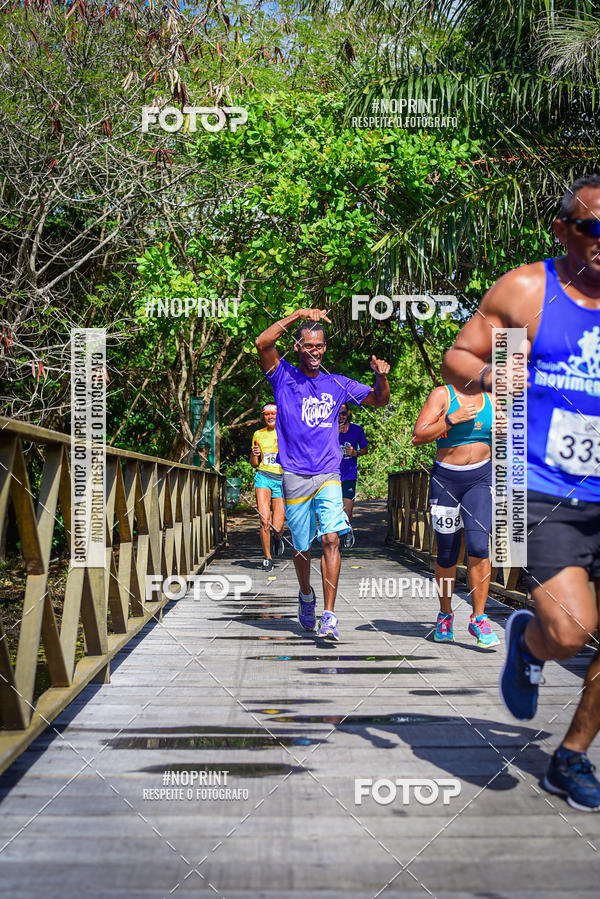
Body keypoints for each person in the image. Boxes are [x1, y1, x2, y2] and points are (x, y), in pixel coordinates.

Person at [441, 174, 600, 811]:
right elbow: (457, 357)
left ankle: (570, 756)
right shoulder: (528, 289)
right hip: (545, 489)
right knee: (570, 631)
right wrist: (488, 371)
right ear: (564, 231)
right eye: (593, 228)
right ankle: (533, 641)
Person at [255, 308, 390, 641]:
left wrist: (381, 376)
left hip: (329, 472)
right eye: (309, 346)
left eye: (320, 346)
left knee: (331, 538)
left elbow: (378, 399)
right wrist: (298, 314)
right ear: (298, 347)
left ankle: (329, 615)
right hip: (294, 475)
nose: (316, 352)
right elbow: (262, 342)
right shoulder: (283, 376)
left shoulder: (337, 384)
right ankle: (306, 595)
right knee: (303, 548)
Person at [412, 384, 500, 648]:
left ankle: (479, 618)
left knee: (478, 547)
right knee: (448, 552)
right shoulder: (442, 394)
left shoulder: (491, 399)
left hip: (481, 480)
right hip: (447, 481)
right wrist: (451, 419)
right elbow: (418, 436)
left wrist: (506, 432)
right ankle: (445, 614)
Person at [250, 403, 285, 572]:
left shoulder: (287, 431)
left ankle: (277, 538)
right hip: (263, 477)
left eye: (273, 413)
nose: (270, 416)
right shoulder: (258, 434)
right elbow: (254, 464)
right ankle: (267, 558)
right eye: (266, 414)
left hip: (282, 480)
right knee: (264, 520)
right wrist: (254, 454)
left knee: (277, 527)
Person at [338, 403, 368, 548]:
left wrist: (355, 453)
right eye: (338, 413)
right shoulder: (328, 429)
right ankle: (335, 536)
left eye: (344, 413)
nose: (341, 417)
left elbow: (365, 449)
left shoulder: (357, 430)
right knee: (333, 508)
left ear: (348, 413)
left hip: (349, 475)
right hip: (331, 475)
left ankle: (348, 531)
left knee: (347, 509)